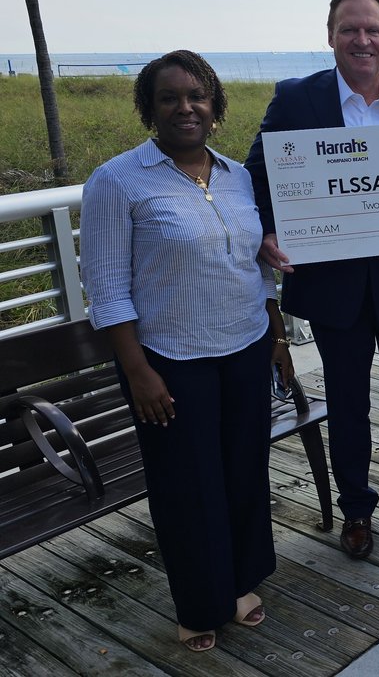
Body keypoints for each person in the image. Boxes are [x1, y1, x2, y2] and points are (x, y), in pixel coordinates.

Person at [80, 50, 291, 652]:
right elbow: (108, 288)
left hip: (245, 346)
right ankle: (199, 603)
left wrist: (276, 338)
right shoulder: (117, 181)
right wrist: (138, 370)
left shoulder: (235, 175)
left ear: (215, 106)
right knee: (186, 485)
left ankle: (241, 581)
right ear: (150, 108)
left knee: (243, 471)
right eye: (169, 97)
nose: (185, 107)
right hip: (170, 360)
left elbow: (256, 266)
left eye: (196, 95)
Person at [244, 0, 379, 561]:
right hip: (334, 285)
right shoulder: (295, 99)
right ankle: (357, 509)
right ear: (331, 35)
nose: (363, 40)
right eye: (350, 30)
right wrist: (264, 230)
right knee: (348, 403)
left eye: (373, 30)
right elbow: (255, 175)